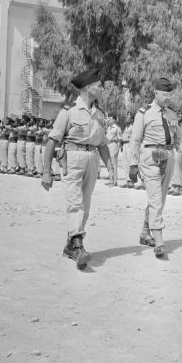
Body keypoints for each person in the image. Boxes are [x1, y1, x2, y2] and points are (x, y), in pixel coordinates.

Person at [41, 69, 115, 270]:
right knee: (76, 203)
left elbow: (102, 143)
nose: (101, 88)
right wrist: (47, 171)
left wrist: (110, 166)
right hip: (71, 158)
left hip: (92, 158)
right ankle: (77, 245)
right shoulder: (69, 111)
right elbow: (52, 141)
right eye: (99, 85)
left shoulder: (100, 115)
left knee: (85, 204)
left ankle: (70, 244)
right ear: (88, 87)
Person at [128, 77, 182, 258]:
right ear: (155, 93)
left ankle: (145, 232)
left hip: (168, 157)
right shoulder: (144, 113)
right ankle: (159, 239)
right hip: (150, 158)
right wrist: (133, 164)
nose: (167, 98)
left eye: (170, 94)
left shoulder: (172, 114)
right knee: (156, 198)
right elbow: (135, 140)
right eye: (164, 94)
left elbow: (180, 138)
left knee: (159, 199)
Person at [105, 114, 122, 186]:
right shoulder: (108, 127)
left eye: (110, 119)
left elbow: (119, 139)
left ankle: (115, 181)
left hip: (113, 145)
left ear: (114, 120)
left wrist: (117, 149)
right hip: (107, 145)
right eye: (108, 118)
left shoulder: (117, 128)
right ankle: (111, 179)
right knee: (109, 163)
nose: (109, 120)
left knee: (114, 164)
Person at [119, 112, 135, 188]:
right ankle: (127, 180)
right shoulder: (125, 127)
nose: (126, 118)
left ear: (132, 119)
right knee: (124, 163)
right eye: (126, 117)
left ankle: (132, 181)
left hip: (130, 145)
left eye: (128, 117)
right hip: (125, 145)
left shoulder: (133, 127)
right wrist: (121, 145)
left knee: (130, 163)